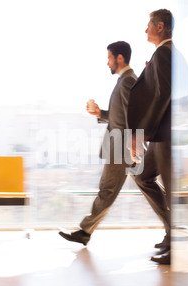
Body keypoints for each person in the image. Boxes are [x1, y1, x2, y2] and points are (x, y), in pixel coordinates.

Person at [59, 41, 138, 246]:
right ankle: (171, 225)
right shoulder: (124, 80)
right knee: (147, 187)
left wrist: (133, 142)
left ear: (120, 58)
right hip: (123, 146)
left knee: (108, 190)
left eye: (109, 58)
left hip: (122, 147)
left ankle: (85, 231)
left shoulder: (128, 80)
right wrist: (100, 113)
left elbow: (134, 115)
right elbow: (120, 115)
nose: (107, 63)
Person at [126, 9, 175, 265]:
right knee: (143, 176)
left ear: (159, 27)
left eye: (148, 26)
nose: (145, 30)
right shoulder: (161, 55)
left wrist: (142, 130)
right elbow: (159, 90)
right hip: (160, 134)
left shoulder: (166, 53)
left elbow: (164, 95)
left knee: (170, 190)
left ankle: (175, 241)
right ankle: (171, 232)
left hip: (163, 134)